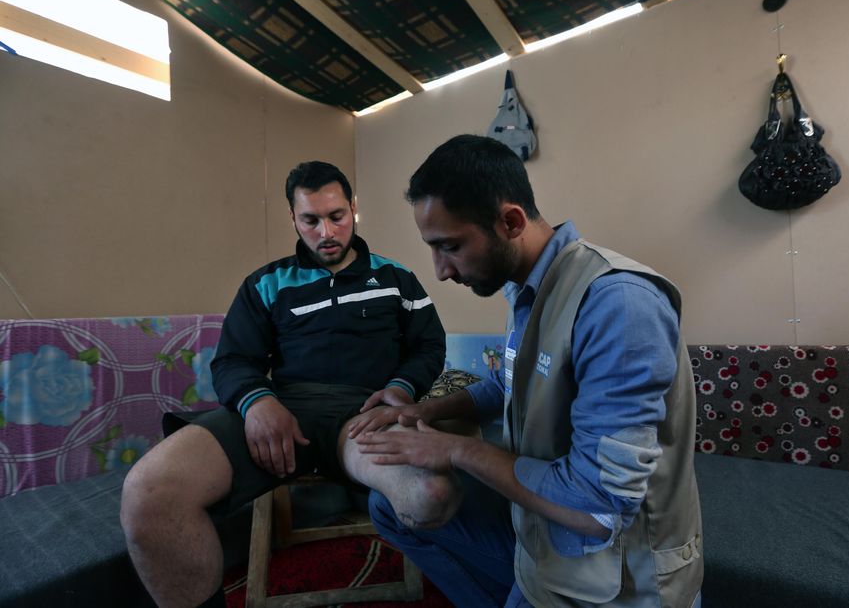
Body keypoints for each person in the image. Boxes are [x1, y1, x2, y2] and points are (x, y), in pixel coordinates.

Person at [350, 135, 703, 607]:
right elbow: (509, 380)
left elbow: (597, 508)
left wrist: (453, 449)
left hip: (615, 583)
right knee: (387, 508)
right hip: (542, 551)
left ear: (510, 221)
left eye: (450, 246)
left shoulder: (618, 304)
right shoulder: (529, 290)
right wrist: (426, 411)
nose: (440, 272)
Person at [120, 161, 456, 608]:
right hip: (281, 412)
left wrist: (400, 390)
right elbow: (234, 361)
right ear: (293, 219)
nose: (326, 232)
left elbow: (430, 346)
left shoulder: (398, 280)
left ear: (354, 209)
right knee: (148, 493)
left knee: (431, 493)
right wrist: (257, 402)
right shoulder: (265, 284)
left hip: (365, 416)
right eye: (310, 220)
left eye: (336, 216)